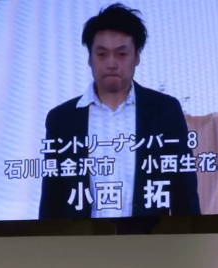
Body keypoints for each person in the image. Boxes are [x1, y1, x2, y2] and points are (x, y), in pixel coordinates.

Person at [39, 3, 200, 219]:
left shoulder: (165, 111)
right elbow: (51, 201)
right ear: (89, 58)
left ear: (137, 57)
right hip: (80, 239)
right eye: (102, 54)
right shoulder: (61, 119)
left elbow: (185, 194)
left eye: (122, 54)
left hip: (150, 239)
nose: (112, 63)